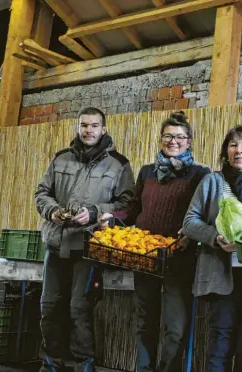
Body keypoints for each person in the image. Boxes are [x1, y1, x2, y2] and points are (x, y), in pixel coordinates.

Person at [99, 111, 211, 372]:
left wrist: (190, 235)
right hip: (145, 257)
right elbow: (134, 207)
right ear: (161, 139)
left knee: (176, 327)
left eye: (180, 137)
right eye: (168, 136)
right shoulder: (148, 172)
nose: (174, 141)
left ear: (189, 141)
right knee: (144, 322)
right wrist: (114, 219)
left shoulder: (199, 174)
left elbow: (203, 213)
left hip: (177, 259)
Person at [35, 107, 135, 372]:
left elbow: (128, 206)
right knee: (49, 307)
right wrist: (53, 211)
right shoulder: (60, 159)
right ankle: (50, 364)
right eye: (84, 125)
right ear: (78, 128)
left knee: (80, 310)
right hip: (56, 245)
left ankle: (84, 366)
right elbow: (42, 193)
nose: (88, 130)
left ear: (104, 129)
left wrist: (95, 212)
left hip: (89, 248)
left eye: (94, 125)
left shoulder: (119, 164)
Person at [182, 126, 242, 372]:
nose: (240, 150)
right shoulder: (213, 182)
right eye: (233, 145)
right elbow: (190, 222)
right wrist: (216, 237)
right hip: (222, 276)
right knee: (221, 342)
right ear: (226, 152)